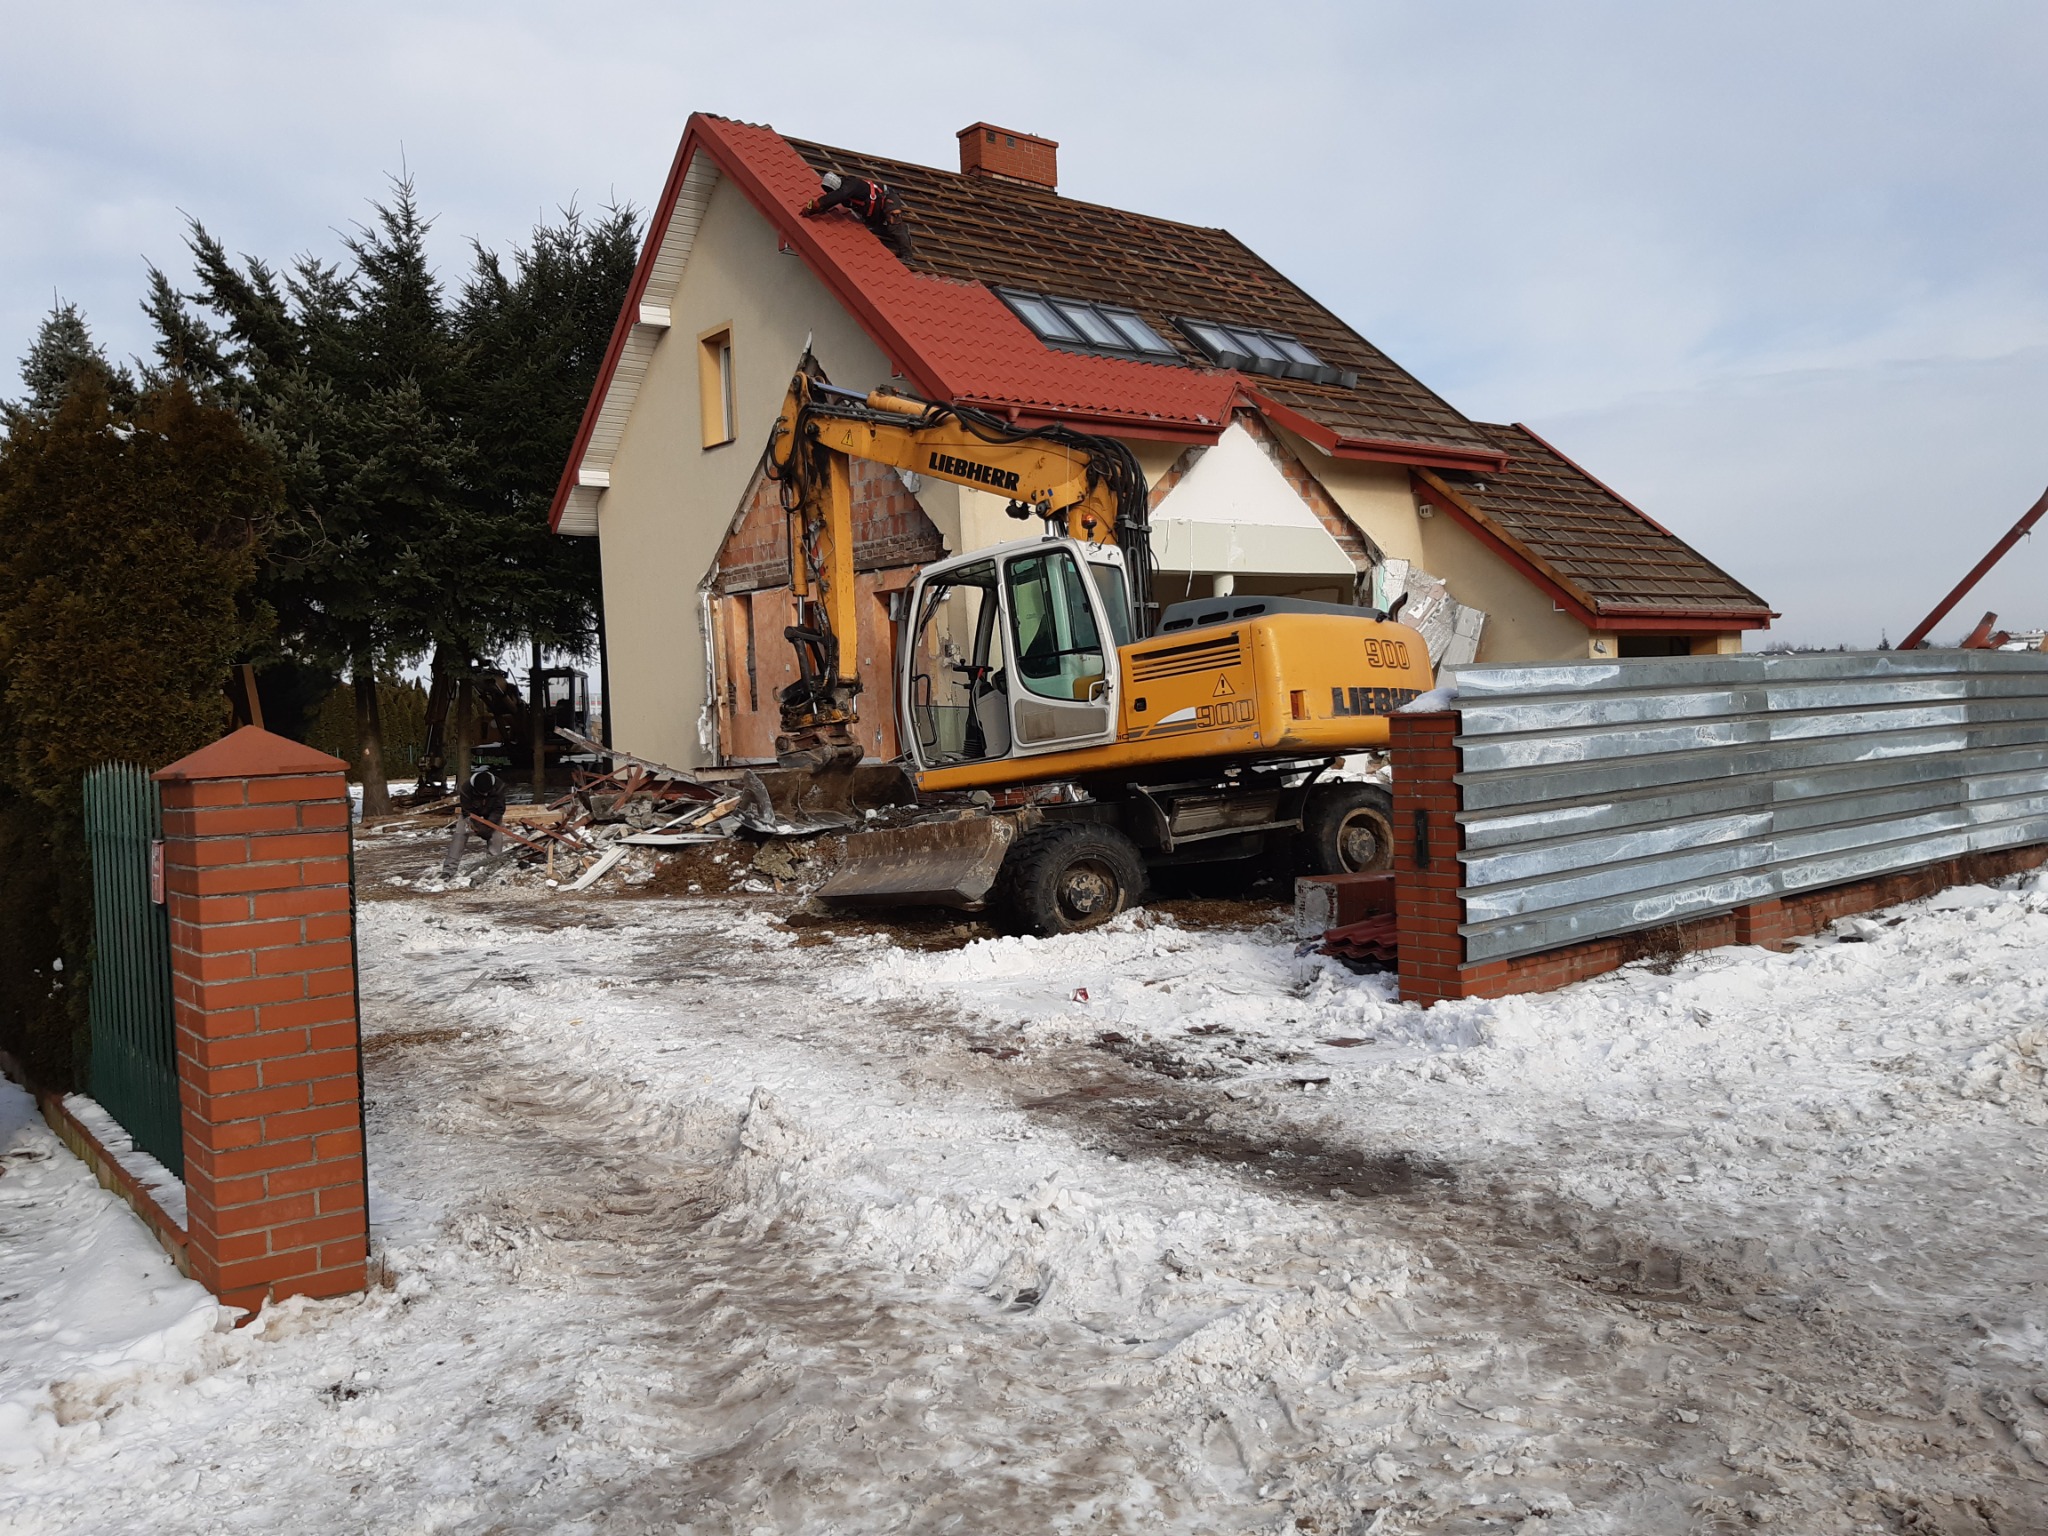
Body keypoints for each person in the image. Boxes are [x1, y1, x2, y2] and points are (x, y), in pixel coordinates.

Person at [801, 171, 914, 260]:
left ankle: (907, 255)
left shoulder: (850, 184)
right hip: (873, 212)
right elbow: (830, 202)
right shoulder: (844, 194)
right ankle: (902, 235)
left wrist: (818, 203)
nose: (832, 193)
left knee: (893, 220)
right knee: (873, 229)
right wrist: (811, 211)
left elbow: (836, 196)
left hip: (888, 198)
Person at [441, 766, 507, 877]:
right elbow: (467, 811)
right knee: (460, 834)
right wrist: (476, 826)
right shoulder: (466, 788)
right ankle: (449, 870)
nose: (485, 795)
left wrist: (489, 825)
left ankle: (493, 864)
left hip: (492, 813)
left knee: (496, 836)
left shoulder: (499, 786)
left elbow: (499, 809)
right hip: (472, 814)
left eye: (487, 793)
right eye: (482, 793)